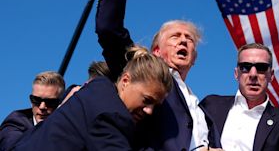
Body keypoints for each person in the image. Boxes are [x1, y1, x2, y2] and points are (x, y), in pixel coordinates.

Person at [96, 0, 222, 151]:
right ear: (156, 50)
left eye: (189, 39)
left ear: (194, 58)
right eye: (175, 36)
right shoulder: (143, 73)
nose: (183, 41)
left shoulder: (201, 110)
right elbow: (108, 29)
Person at [13, 46, 173, 151]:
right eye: (146, 100)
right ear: (125, 80)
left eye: (155, 105)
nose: (149, 111)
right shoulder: (111, 116)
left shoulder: (97, 88)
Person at [200, 43, 279, 151]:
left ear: (271, 75)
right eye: (245, 67)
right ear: (236, 73)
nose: (253, 74)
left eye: (261, 68)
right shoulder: (210, 105)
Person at [0, 71, 65, 151]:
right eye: (36, 100)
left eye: (50, 102)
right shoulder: (15, 122)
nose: (42, 107)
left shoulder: (67, 127)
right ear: (31, 101)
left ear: (60, 103)